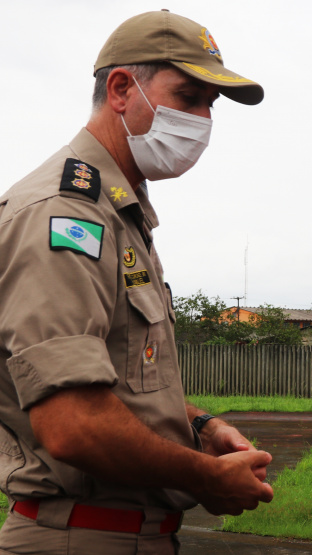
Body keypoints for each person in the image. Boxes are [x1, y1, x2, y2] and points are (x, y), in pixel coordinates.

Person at [0, 11, 273, 553]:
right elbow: (73, 422)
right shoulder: (65, 214)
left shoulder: (118, 212)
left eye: (209, 106)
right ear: (122, 88)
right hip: (82, 536)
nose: (202, 120)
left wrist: (200, 426)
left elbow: (122, 381)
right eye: (188, 96)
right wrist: (202, 475)